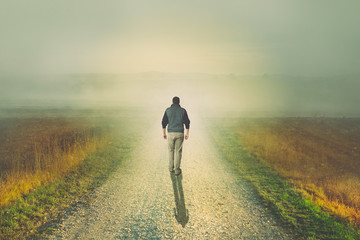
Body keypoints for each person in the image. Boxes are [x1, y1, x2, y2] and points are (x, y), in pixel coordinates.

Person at [162, 96, 190, 176]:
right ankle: (177, 170)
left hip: (170, 133)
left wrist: (164, 133)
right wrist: (187, 133)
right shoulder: (183, 111)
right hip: (180, 133)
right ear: (179, 102)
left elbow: (164, 122)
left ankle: (171, 168)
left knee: (171, 150)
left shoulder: (168, 110)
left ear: (172, 102)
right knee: (178, 151)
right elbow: (187, 122)